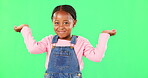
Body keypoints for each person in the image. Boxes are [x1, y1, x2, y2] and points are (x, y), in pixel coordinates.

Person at [14, 5, 116, 78]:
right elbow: (33, 49)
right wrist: (25, 29)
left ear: (74, 23)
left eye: (66, 22)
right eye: (57, 23)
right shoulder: (49, 40)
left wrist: (104, 35)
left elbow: (96, 57)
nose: (61, 27)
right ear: (52, 23)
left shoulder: (81, 42)